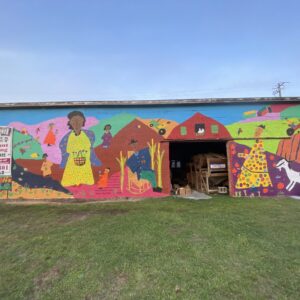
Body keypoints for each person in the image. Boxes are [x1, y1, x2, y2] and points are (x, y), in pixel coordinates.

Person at [59, 111, 101, 186]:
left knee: (86, 180)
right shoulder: (67, 137)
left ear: (83, 121)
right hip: (72, 163)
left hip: (85, 162)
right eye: (74, 120)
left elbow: (90, 148)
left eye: (79, 120)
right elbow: (63, 148)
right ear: (70, 122)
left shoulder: (89, 134)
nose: (76, 123)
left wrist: (94, 160)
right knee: (70, 182)